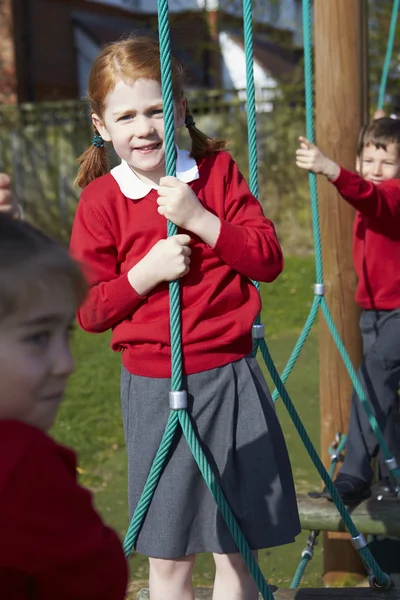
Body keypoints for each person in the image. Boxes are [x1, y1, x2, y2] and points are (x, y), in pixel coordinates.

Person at [70, 35, 300, 600]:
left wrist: (200, 218)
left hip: (231, 376)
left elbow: (267, 260)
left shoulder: (216, 174)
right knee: (169, 559)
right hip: (155, 384)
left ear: (180, 110)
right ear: (102, 126)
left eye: (156, 110)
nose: (144, 128)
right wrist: (144, 274)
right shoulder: (101, 202)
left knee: (236, 549)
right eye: (126, 116)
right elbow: (88, 310)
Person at [0, 214, 128, 599]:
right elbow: (94, 581)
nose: (66, 363)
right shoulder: (21, 464)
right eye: (38, 337)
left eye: (64, 335)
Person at [295, 117, 400, 505]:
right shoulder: (374, 188)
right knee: (383, 399)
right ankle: (392, 478)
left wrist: (331, 170)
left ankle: (354, 472)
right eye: (368, 159)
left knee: (372, 378)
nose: (375, 169)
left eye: (386, 162)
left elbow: (372, 198)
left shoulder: (394, 193)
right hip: (373, 311)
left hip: (398, 313)